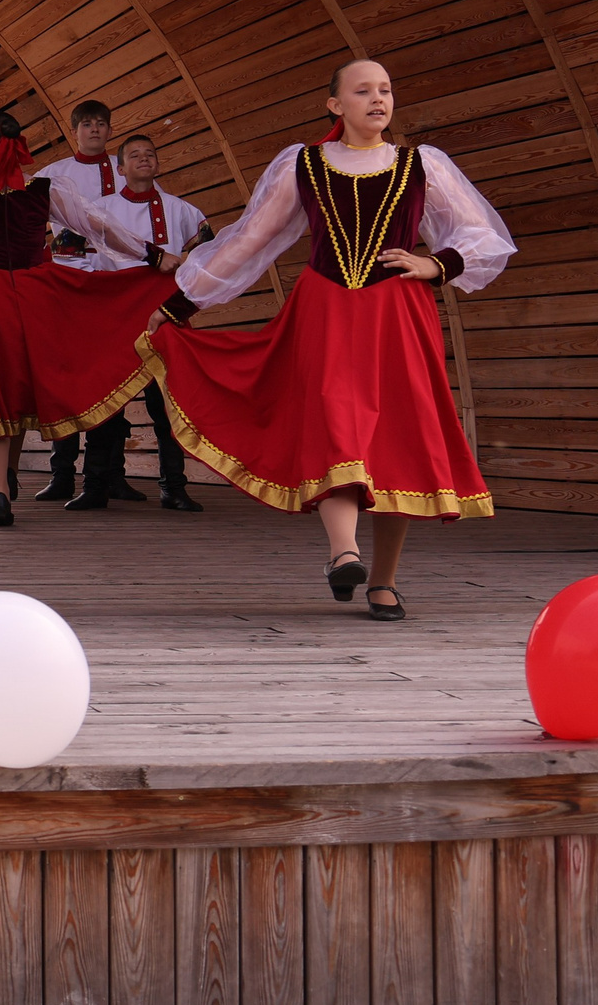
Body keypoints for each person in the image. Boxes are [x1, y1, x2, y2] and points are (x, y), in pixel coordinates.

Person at [143, 61, 513, 621]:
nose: (378, 99)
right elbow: (252, 240)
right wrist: (181, 301)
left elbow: (483, 235)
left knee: (397, 440)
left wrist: (437, 263)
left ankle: (382, 582)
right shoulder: (304, 164)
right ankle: (344, 552)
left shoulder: (422, 164)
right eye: (362, 90)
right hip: (327, 312)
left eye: (386, 89)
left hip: (399, 315)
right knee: (336, 421)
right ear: (335, 106)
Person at [0, 108, 177, 528]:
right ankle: (11, 474)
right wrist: (153, 255)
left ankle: (0, 490)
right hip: (35, 291)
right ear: (22, 148)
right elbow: (98, 228)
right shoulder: (47, 189)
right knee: (23, 384)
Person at [67, 133, 213, 511]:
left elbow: (208, 248)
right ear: (120, 168)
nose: (145, 159)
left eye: (150, 153)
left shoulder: (182, 209)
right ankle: (96, 485)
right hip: (115, 310)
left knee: (167, 400)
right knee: (105, 397)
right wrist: (99, 289)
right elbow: (68, 251)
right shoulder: (99, 209)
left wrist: (184, 265)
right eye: (135, 155)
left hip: (164, 309)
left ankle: (174, 487)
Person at [33, 99, 122, 500]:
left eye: (101, 124)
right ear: (74, 130)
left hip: (114, 287)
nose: (95, 130)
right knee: (65, 377)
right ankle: (62, 474)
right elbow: (32, 225)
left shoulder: (124, 167)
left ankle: (108, 477)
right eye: (87, 124)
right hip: (67, 286)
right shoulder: (52, 175)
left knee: (112, 377)